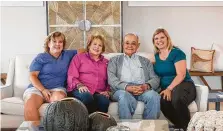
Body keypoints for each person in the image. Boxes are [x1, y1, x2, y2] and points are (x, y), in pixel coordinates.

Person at [23, 31, 78, 121]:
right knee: (29, 107)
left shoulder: (67, 54)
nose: (57, 44)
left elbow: (83, 50)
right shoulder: (41, 57)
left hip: (57, 89)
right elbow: (32, 76)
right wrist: (43, 90)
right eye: (54, 41)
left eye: (60, 42)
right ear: (48, 44)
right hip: (37, 88)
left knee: (59, 101)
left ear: (63, 45)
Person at [108, 33, 160, 119]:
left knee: (154, 96)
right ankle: (126, 127)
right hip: (122, 90)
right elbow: (111, 79)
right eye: (127, 43)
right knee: (124, 96)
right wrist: (127, 87)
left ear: (138, 45)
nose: (130, 46)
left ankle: (149, 127)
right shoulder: (114, 60)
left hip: (142, 89)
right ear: (123, 44)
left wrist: (146, 86)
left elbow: (155, 78)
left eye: (133, 43)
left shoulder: (146, 61)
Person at [152, 28, 196, 130]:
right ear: (154, 42)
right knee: (163, 102)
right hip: (167, 88)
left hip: (184, 85)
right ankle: (180, 125)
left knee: (176, 100)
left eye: (162, 37)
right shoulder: (156, 56)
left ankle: (187, 127)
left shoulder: (177, 53)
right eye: (156, 38)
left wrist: (169, 88)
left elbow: (181, 74)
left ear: (167, 38)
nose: (159, 40)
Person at [67, 34, 110, 114]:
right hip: (80, 89)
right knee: (87, 96)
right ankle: (87, 122)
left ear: (102, 48)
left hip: (98, 92)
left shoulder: (106, 62)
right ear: (89, 45)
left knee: (104, 100)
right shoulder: (79, 57)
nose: (97, 47)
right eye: (94, 44)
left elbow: (110, 80)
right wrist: (79, 85)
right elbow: (71, 75)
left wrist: (107, 91)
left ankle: (100, 123)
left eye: (100, 45)